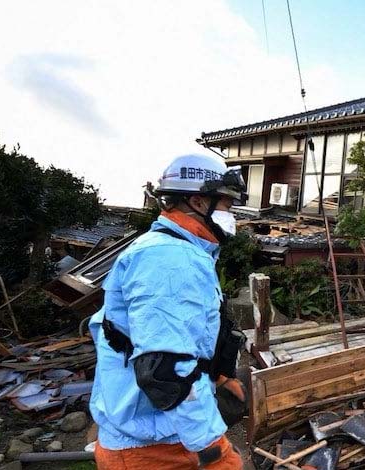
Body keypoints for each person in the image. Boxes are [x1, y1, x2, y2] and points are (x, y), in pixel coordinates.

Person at [89, 154, 247, 469]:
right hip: (150, 450)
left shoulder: (177, 250)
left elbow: (179, 337)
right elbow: (167, 370)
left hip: (157, 435)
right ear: (200, 202)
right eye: (228, 205)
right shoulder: (171, 260)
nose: (232, 215)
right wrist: (211, 447)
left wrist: (216, 376)